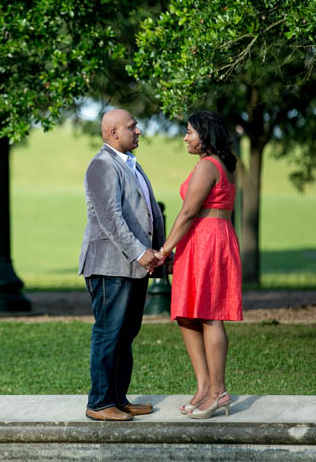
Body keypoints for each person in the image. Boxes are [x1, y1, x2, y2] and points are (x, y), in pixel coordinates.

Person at [153, 110, 242, 420]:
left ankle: (218, 391)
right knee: (186, 315)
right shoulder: (222, 165)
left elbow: (189, 212)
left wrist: (164, 251)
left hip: (208, 242)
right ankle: (204, 387)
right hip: (202, 241)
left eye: (190, 131)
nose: (185, 137)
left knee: (209, 315)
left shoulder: (208, 166)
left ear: (205, 136)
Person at [79, 108, 166, 421]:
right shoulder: (102, 166)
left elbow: (148, 212)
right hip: (108, 267)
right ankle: (100, 403)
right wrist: (140, 252)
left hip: (133, 266)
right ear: (113, 132)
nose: (139, 130)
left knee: (125, 334)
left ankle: (118, 398)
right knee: (108, 332)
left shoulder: (131, 165)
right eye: (132, 127)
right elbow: (111, 219)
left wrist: (158, 253)